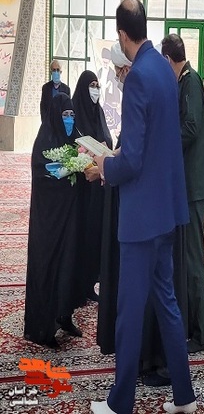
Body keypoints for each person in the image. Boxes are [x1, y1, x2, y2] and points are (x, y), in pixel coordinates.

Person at [90, 0, 196, 414]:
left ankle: (120, 404)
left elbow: (132, 160)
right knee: (167, 303)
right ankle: (184, 395)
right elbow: (156, 144)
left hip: (141, 218)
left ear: (121, 34)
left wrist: (104, 165)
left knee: (129, 313)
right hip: (165, 211)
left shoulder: (137, 78)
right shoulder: (164, 70)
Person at [140, 33, 204, 386]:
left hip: (195, 188)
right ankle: (192, 326)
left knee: (192, 258)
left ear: (171, 60)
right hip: (187, 186)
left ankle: (200, 333)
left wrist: (162, 140)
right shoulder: (183, 81)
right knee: (186, 257)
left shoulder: (190, 82)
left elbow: (191, 127)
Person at [24, 93, 82, 349]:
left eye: (72, 115)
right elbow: (41, 175)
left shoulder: (74, 141)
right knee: (48, 266)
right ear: (54, 117)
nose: (69, 120)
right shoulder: (44, 141)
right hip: (48, 222)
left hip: (69, 219)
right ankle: (42, 328)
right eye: (64, 115)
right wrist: (61, 173)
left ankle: (64, 316)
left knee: (69, 265)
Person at [94, 42, 130, 356]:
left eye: (119, 71)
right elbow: (127, 147)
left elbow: (133, 159)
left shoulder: (138, 95)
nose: (117, 77)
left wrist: (105, 166)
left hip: (138, 212)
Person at [73, 70, 113, 305]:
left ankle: (90, 284)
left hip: (98, 187)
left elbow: (107, 141)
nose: (95, 90)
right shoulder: (75, 114)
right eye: (92, 85)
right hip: (82, 189)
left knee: (95, 235)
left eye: (98, 85)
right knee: (81, 235)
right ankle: (76, 286)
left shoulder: (99, 113)